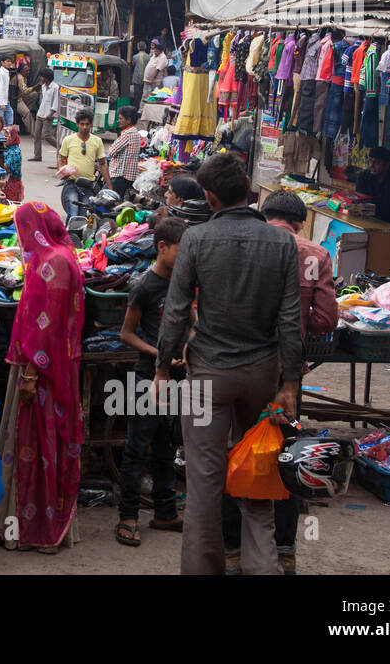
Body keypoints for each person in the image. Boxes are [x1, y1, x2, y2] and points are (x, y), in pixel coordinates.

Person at [155, 152, 302, 576]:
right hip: (262, 371)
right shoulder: (281, 242)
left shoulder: (197, 239)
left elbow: (176, 311)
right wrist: (289, 383)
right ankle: (263, 568)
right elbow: (290, 319)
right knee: (258, 473)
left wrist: (163, 368)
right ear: (248, 190)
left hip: (209, 373)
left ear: (210, 196)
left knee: (203, 484)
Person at [219, 190, 338, 574]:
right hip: (285, 374)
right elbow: (325, 319)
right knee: (289, 455)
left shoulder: (238, 245)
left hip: (234, 366)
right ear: (301, 223)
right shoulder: (315, 255)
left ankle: (232, 549)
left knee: (234, 451)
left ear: (262, 214)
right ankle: (284, 550)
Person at [0, 201, 84, 552]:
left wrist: (32, 375)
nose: (20, 236)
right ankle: (23, 524)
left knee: (35, 443)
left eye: (21, 228)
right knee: (35, 445)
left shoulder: (52, 263)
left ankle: (35, 528)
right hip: (51, 366)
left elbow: (48, 326)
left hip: (41, 370)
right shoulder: (58, 256)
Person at [115, 216, 186, 547]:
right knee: (136, 448)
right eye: (180, 250)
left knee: (166, 446)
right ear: (162, 247)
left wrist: (186, 348)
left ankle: (166, 511)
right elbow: (126, 334)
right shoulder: (144, 285)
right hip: (147, 376)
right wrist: (158, 353)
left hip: (177, 378)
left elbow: (193, 323)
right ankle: (128, 517)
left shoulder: (185, 283)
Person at [57, 109, 111, 219]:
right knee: (73, 214)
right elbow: (62, 158)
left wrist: (109, 186)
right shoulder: (68, 140)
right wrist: (63, 171)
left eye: (87, 124)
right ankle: (69, 236)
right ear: (77, 124)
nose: (85, 127)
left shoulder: (97, 141)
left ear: (91, 124)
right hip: (71, 183)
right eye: (82, 124)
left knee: (82, 217)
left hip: (88, 185)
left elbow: (102, 164)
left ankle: (78, 236)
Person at [354, 146, 390, 227]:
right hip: (368, 222)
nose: (371, 165)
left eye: (377, 163)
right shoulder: (363, 177)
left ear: (387, 164)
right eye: (370, 161)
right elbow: (361, 202)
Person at [107, 106, 143, 197]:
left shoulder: (127, 134)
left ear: (129, 120)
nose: (119, 121)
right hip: (128, 177)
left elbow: (111, 152)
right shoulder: (135, 132)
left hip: (120, 176)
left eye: (121, 118)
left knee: (106, 199)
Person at [31, 67, 59, 161]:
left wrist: (51, 113)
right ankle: (37, 155)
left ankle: (62, 148)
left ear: (46, 78)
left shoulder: (55, 87)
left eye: (42, 77)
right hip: (40, 113)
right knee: (36, 135)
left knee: (47, 135)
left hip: (48, 115)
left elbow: (56, 102)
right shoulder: (43, 86)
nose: (40, 78)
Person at [0, 58, 14, 126]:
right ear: (2, 62)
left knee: (9, 121)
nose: (9, 63)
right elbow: (0, 89)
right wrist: (2, 103)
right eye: (7, 61)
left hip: (5, 102)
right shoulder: (1, 73)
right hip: (0, 102)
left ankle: (7, 135)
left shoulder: (6, 72)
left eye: (10, 61)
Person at [131, 40, 150, 106]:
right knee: (144, 94)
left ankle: (136, 108)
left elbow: (132, 66)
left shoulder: (134, 57)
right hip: (145, 79)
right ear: (145, 47)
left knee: (137, 95)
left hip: (136, 79)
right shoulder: (148, 57)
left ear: (138, 47)